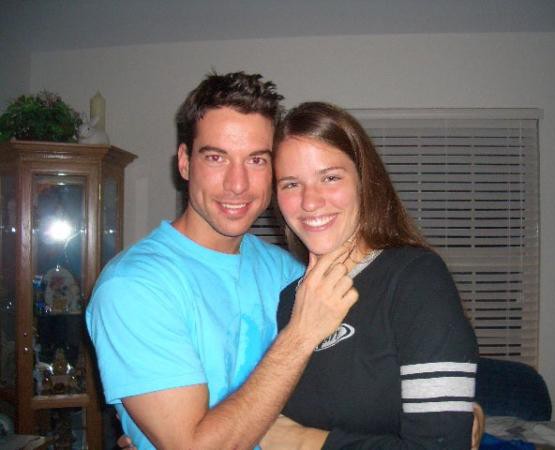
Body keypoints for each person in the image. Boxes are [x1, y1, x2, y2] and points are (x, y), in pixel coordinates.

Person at [86, 73, 358, 450]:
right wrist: (300, 335)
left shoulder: (287, 271)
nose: (237, 184)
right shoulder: (134, 287)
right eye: (216, 157)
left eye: (256, 160)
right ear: (185, 163)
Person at [258, 101, 479, 449]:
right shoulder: (289, 300)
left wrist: (302, 442)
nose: (310, 202)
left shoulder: (416, 279)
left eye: (330, 177)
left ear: (364, 180)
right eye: (290, 184)